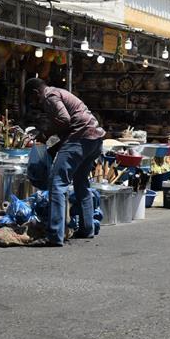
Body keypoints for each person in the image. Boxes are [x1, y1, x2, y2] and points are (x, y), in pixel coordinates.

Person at [24, 77, 105, 247]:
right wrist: (54, 148)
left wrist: (45, 134)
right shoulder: (58, 92)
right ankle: (87, 228)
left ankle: (54, 235)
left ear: (35, 93)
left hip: (80, 138)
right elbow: (67, 126)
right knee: (81, 182)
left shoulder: (49, 96)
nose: (34, 104)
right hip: (94, 140)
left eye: (32, 99)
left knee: (57, 183)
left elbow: (64, 120)